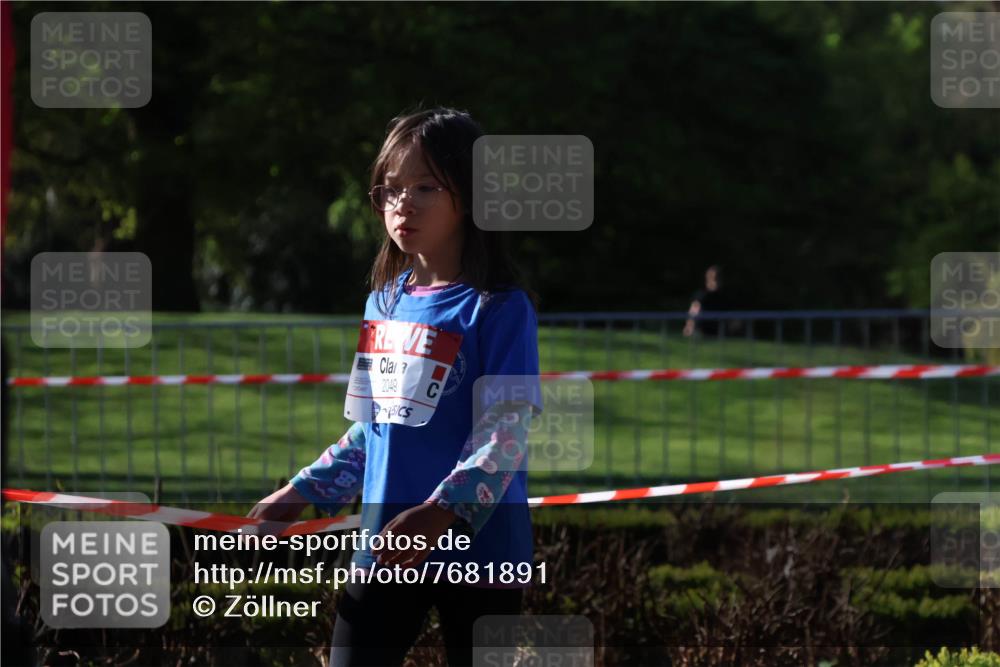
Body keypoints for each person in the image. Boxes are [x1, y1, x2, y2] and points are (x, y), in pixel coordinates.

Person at [248, 107, 543, 667]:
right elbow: (373, 428)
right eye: (390, 189)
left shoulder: (502, 308)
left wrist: (440, 513)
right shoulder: (382, 302)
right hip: (382, 549)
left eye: (426, 187)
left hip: (483, 553)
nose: (402, 204)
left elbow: (506, 434)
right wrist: (301, 493)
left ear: (473, 196)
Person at [683, 264, 733, 338]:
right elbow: (693, 311)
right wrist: (689, 327)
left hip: (721, 330)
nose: (711, 281)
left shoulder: (726, 295)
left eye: (715, 278)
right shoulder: (700, 295)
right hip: (704, 330)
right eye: (709, 278)